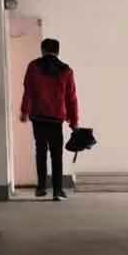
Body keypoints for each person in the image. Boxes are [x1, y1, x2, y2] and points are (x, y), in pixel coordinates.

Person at [20, 38, 79, 200]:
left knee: (41, 151)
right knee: (56, 154)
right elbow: (71, 98)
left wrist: (24, 111)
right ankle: (57, 190)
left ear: (43, 50)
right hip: (56, 118)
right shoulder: (66, 70)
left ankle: (41, 188)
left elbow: (28, 90)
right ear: (58, 51)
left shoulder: (33, 67)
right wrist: (74, 121)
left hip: (38, 116)